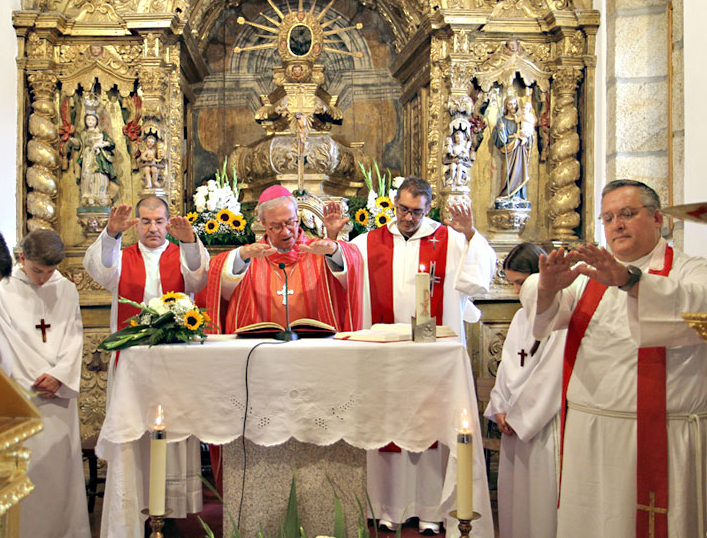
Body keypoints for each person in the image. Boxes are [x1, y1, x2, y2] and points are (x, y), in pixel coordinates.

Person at [534, 179, 707, 538]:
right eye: (608, 217)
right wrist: (548, 288)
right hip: (589, 433)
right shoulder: (587, 275)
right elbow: (545, 323)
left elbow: (700, 318)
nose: (617, 225)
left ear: (659, 219)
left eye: (628, 214)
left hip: (662, 435)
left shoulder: (692, 270)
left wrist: (630, 281)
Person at [325, 176, 496, 534]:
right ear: (394, 204)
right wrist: (335, 241)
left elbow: (477, 280)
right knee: (386, 422)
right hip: (383, 355)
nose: (408, 217)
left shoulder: (448, 239)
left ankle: (432, 510)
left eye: (416, 211)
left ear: (428, 207)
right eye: (403, 209)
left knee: (429, 424)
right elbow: (344, 274)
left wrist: (468, 235)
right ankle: (386, 506)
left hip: (431, 354)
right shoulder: (371, 241)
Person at [84, 195, 209, 519]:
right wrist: (110, 234)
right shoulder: (123, 257)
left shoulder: (181, 254)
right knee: (134, 431)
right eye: (146, 221)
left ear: (169, 222)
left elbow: (199, 278)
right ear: (136, 224)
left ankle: (172, 510)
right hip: (132, 366)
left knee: (174, 429)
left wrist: (191, 241)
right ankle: (131, 504)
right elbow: (99, 271)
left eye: (159, 221)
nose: (153, 228)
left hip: (174, 364)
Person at [0, 229, 91, 538]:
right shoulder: (1, 290)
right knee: (26, 472)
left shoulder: (67, 289)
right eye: (37, 271)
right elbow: (7, 342)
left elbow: (74, 337)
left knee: (60, 474)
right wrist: (35, 379)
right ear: (22, 258)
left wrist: (59, 375)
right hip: (24, 394)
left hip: (58, 394)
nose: (44, 278)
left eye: (50, 271)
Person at [203, 184, 363, 333]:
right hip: (259, 351)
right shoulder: (250, 257)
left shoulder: (319, 252)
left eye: (290, 223)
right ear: (264, 224)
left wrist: (334, 247)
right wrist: (242, 255)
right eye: (277, 226)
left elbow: (353, 266)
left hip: (314, 349)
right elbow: (217, 275)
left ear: (297, 218)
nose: (286, 232)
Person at [484, 242, 563, 538]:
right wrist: (501, 407)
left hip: (538, 426)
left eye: (521, 283)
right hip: (513, 424)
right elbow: (506, 367)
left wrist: (520, 418)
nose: (517, 292)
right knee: (514, 502)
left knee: (538, 503)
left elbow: (550, 376)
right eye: (513, 283)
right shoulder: (519, 318)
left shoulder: (558, 320)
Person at [493, 94, 531, 200]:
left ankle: (517, 195)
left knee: (519, 171)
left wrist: (525, 135)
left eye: (514, 103)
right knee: (507, 171)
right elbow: (500, 141)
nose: (513, 106)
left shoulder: (520, 119)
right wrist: (501, 130)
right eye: (510, 104)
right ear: (506, 106)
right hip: (509, 149)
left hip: (519, 148)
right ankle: (506, 194)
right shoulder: (502, 120)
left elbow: (528, 131)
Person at [78, 111, 117, 207]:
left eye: (92, 119)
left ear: (96, 121)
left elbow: (111, 143)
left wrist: (102, 144)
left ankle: (100, 194)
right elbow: (79, 145)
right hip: (87, 156)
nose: (90, 121)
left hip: (99, 157)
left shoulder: (101, 133)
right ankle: (88, 195)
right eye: (88, 119)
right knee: (87, 174)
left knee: (100, 174)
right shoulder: (83, 134)